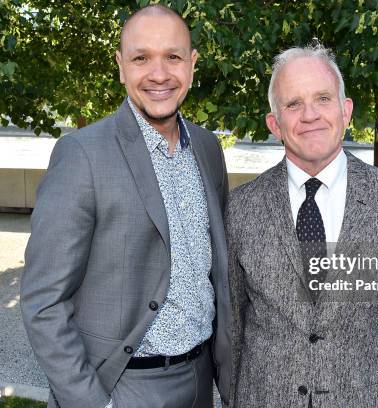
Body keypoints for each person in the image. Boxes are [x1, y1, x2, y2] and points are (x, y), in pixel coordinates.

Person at [20, 5, 231, 408]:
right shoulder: (81, 155)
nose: (159, 74)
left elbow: (215, 271)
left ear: (192, 63)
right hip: (123, 387)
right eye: (141, 58)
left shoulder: (207, 148)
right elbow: (44, 303)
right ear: (120, 66)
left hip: (202, 381)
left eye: (172, 56)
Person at [226, 43, 378, 407]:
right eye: (293, 104)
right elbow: (231, 331)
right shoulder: (239, 209)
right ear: (274, 123)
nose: (310, 114)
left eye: (323, 99)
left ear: (346, 111)